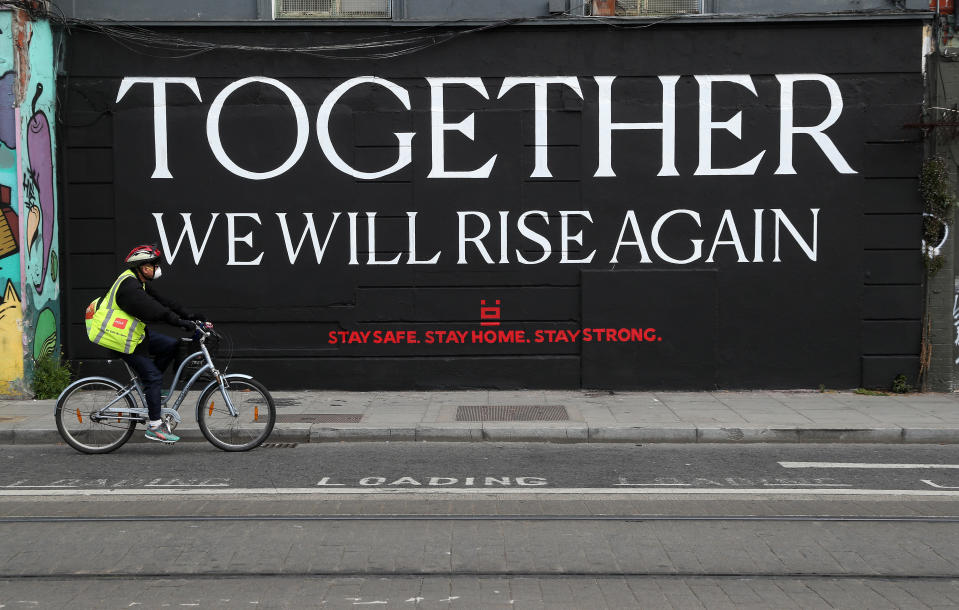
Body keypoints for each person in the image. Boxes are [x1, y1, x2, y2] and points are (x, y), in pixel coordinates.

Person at [94, 245, 203, 443]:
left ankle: (149, 388)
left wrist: (190, 316)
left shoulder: (138, 281)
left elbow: (164, 301)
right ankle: (154, 426)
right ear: (144, 268)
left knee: (171, 345)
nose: (157, 269)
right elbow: (155, 310)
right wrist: (179, 323)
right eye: (155, 265)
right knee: (153, 377)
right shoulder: (129, 286)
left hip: (133, 334)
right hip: (121, 339)